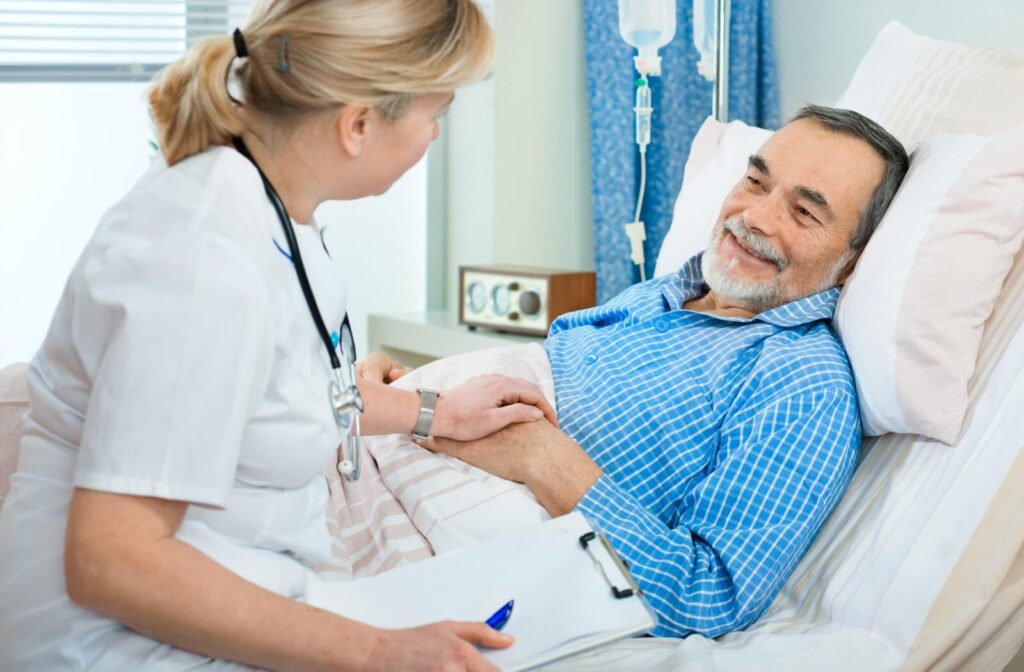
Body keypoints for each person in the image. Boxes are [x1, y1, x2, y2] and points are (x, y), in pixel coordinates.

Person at [0, 1, 557, 670]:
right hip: (112, 647)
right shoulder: (201, 258)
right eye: (435, 116)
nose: (436, 135)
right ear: (357, 125)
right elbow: (112, 563)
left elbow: (281, 389)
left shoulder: (269, 206)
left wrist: (434, 411)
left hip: (236, 599)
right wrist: (377, 652)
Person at [385, 105, 911, 639]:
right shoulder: (662, 293)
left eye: (804, 213)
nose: (756, 217)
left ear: (852, 259)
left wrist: (541, 456)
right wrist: (421, 391)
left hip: (419, 553)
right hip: (380, 456)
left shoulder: (801, 384)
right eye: (755, 181)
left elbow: (707, 596)